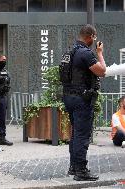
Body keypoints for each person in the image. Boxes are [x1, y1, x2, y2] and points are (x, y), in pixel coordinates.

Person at [62, 24, 106, 181]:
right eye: (94, 38)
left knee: (75, 133)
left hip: (69, 97)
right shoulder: (86, 53)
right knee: (82, 135)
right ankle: (81, 171)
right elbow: (102, 71)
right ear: (91, 36)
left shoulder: (70, 51)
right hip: (82, 99)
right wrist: (99, 53)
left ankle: (73, 167)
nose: (94, 41)